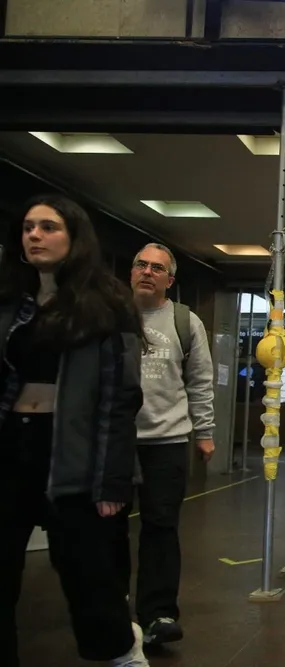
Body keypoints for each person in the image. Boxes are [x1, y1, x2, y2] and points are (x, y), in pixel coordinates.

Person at [0, 194, 149, 666]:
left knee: (88, 576)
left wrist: (112, 480)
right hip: (11, 446)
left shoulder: (105, 305)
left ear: (74, 237)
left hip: (72, 453)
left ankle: (123, 654)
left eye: (48, 227)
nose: (35, 236)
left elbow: (119, 398)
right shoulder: (9, 303)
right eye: (28, 228)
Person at [124, 242, 215, 647]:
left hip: (167, 440)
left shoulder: (184, 321)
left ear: (169, 280)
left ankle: (158, 613)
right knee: (106, 531)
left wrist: (206, 430)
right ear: (131, 272)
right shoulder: (108, 316)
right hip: (115, 442)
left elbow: (199, 379)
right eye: (140, 265)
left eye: (156, 268)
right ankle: (112, 608)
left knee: (160, 528)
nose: (147, 271)